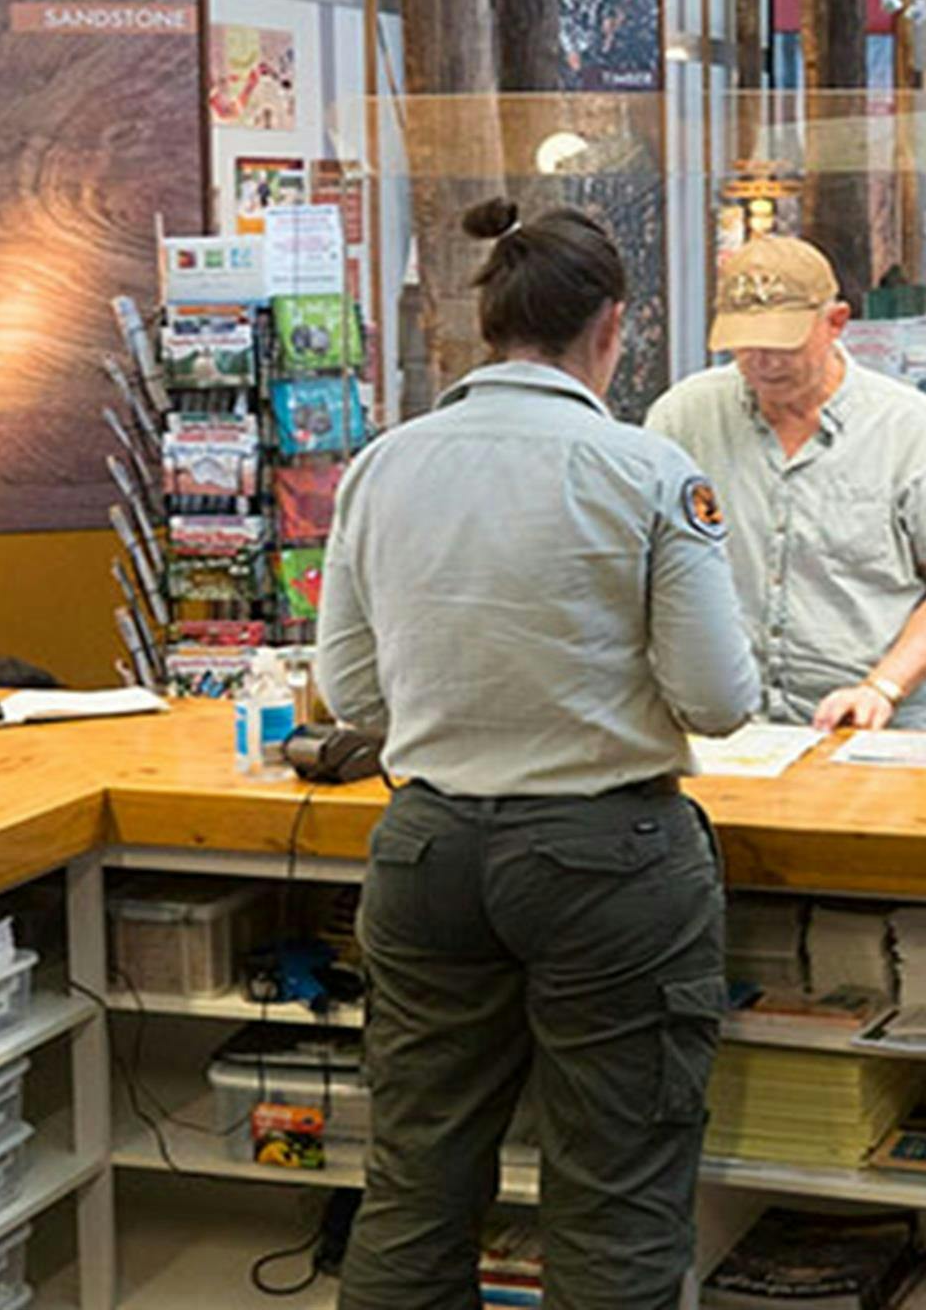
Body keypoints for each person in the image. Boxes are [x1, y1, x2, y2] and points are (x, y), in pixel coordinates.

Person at [318, 200, 758, 1310]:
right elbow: (716, 698)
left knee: (413, 1182)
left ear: (488, 324)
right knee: (614, 1191)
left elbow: (352, 693)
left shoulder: (382, 465)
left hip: (426, 851)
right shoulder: (646, 471)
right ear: (612, 327)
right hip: (609, 856)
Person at [647, 234, 926, 733]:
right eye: (746, 344)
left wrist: (881, 688)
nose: (764, 361)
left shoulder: (907, 426)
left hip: (872, 726)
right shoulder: (685, 416)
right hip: (727, 728)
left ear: (835, 324)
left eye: (783, 343)